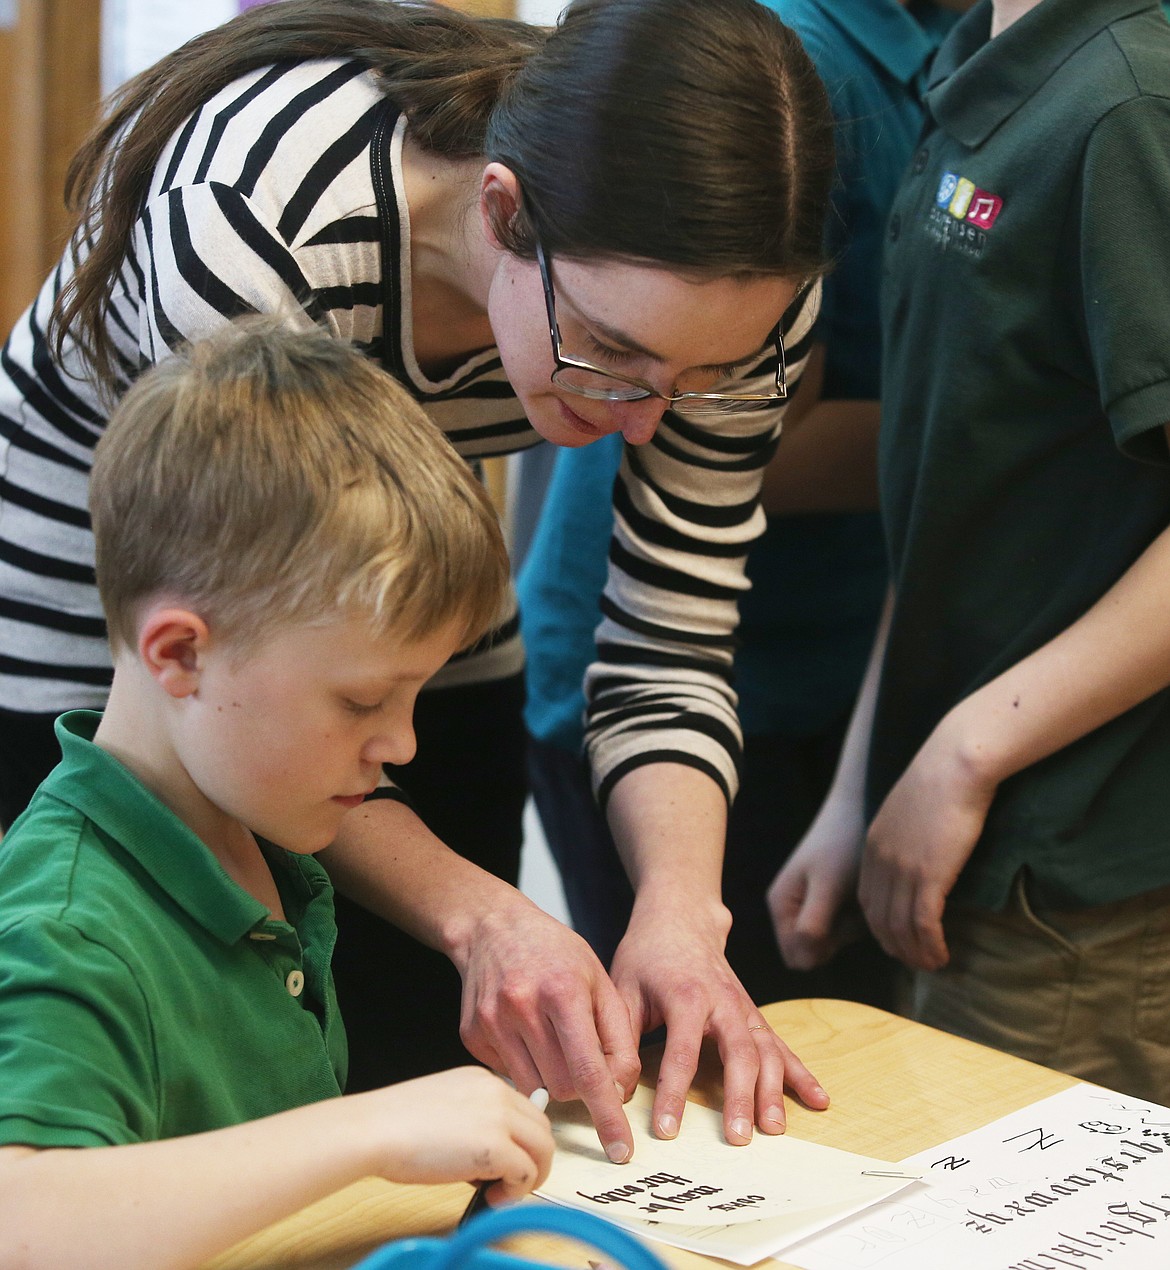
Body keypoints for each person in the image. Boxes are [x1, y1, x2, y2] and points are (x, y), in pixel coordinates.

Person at [0, 0, 834, 1158]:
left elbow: (666, 641)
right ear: (501, 209)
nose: (643, 424)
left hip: (404, 589)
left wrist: (682, 916)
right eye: (611, 349)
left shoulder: (740, 299)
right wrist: (482, 911)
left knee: (418, 1069)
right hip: (118, 609)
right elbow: (255, 663)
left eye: (699, 376)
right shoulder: (258, 213)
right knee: (167, 1055)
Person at [0, 319, 554, 1269]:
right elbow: (20, 1218)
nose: (404, 744)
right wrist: (372, 1129)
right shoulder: (70, 924)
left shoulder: (263, 836)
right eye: (364, 699)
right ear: (181, 654)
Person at [520, 0, 971, 1008]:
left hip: (828, 661)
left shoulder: (955, 51)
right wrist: (998, 460)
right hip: (672, 663)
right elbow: (767, 447)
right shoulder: (803, 68)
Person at [771, 0, 1170, 1101]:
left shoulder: (1128, 104)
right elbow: (963, 480)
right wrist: (864, 781)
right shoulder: (985, 63)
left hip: (1073, 871)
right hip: (968, 839)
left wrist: (962, 755)